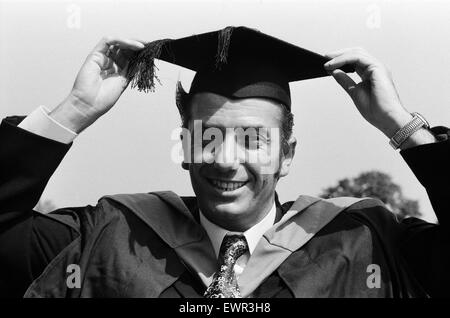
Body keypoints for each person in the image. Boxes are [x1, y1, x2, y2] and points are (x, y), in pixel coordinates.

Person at [0, 26, 448, 298]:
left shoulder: (366, 243)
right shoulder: (110, 234)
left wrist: (403, 127)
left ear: (286, 155)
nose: (226, 160)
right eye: (207, 136)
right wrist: (74, 109)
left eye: (253, 140)